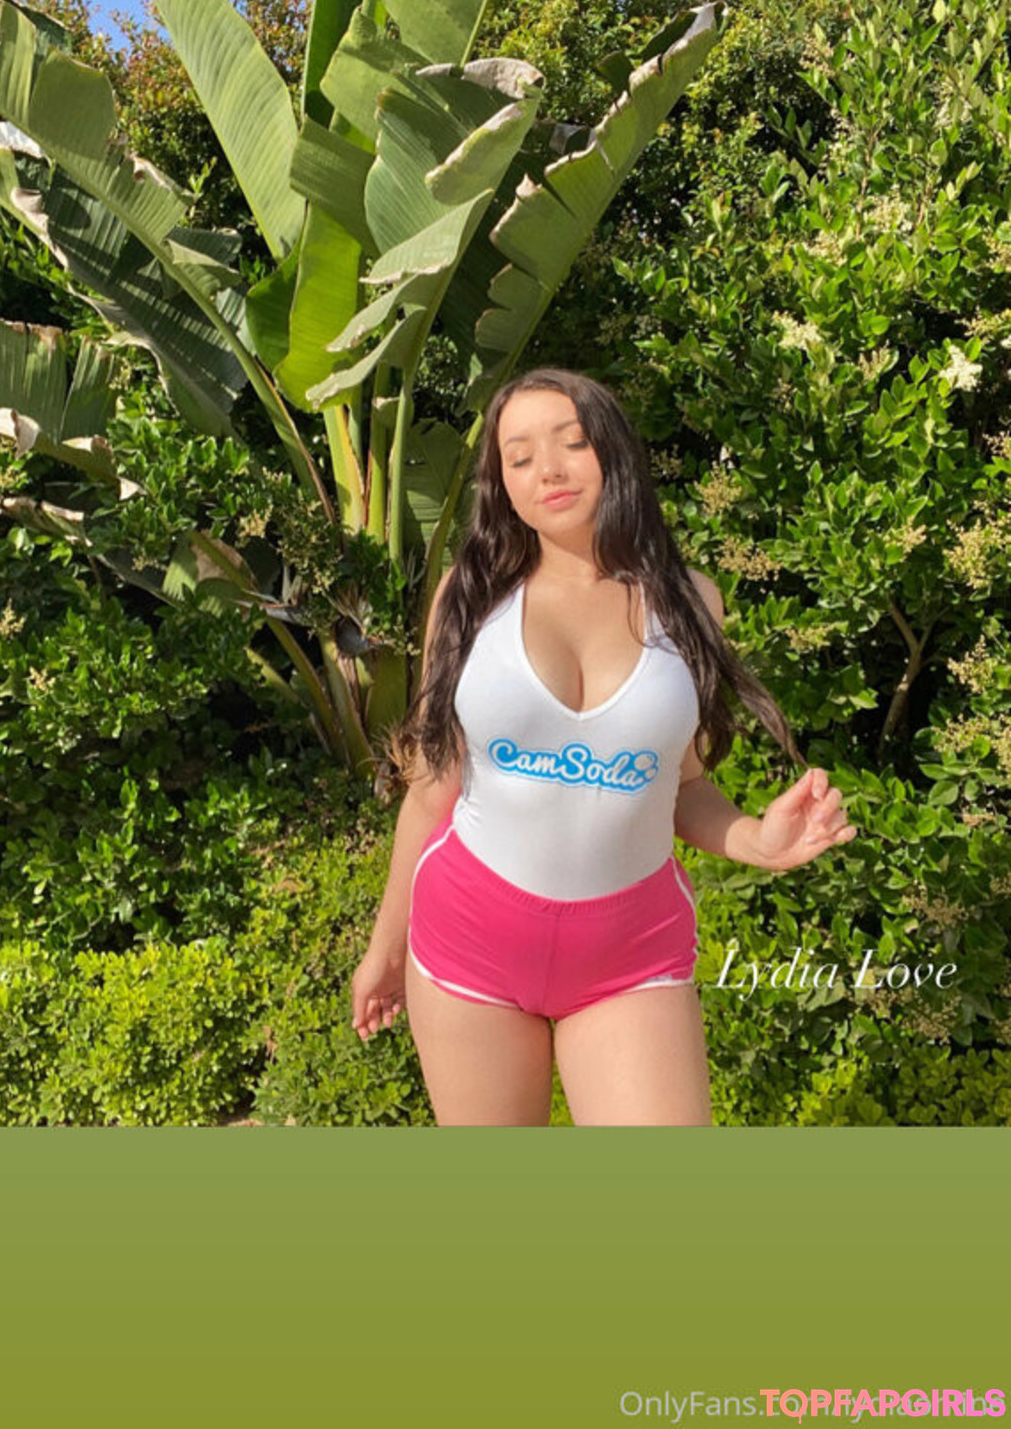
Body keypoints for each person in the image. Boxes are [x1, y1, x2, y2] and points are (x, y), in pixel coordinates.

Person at [350, 367, 856, 1126]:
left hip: (630, 957)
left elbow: (682, 786)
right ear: (502, 486)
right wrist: (386, 950)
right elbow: (432, 788)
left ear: (613, 451)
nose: (548, 469)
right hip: (469, 945)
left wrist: (758, 840)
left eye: (572, 442)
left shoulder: (692, 602)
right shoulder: (468, 596)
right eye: (520, 457)